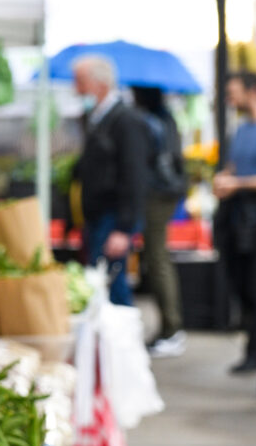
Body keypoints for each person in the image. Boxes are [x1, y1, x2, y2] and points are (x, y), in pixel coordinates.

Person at [72, 55, 149, 306]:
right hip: (96, 217)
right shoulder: (96, 119)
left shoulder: (126, 121)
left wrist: (124, 229)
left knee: (113, 287)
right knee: (100, 285)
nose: (77, 89)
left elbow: (135, 175)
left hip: (112, 217)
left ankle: (124, 344)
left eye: (81, 82)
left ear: (100, 84)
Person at [213, 72, 256, 373]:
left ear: (253, 91)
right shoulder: (242, 129)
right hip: (236, 220)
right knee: (242, 284)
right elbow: (234, 165)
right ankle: (253, 348)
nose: (230, 99)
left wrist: (237, 184)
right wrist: (224, 178)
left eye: (234, 92)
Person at [133, 86, 188, 357]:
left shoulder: (151, 121)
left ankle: (171, 328)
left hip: (157, 192)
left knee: (157, 258)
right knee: (156, 257)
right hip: (165, 191)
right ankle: (170, 327)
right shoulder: (165, 118)